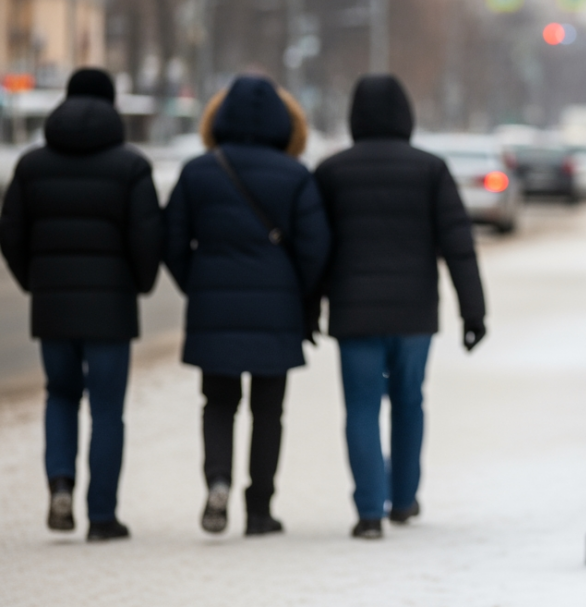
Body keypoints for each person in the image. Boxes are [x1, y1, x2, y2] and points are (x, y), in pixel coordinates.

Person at [314, 74, 486, 540]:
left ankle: (369, 511)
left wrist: (309, 306)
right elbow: (459, 245)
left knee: (362, 408)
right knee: (409, 402)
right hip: (414, 317)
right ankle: (404, 499)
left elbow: (314, 248)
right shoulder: (430, 169)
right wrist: (474, 312)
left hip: (355, 316)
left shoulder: (332, 172)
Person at [163, 75, 330, 537]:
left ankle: (217, 481)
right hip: (277, 310)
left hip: (213, 307)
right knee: (268, 411)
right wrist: (297, 295)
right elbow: (317, 249)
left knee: (217, 403)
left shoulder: (198, 171)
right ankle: (259, 509)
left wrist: (197, 285)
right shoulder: (295, 175)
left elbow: (171, 241)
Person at [0, 68, 163, 542]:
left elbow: (9, 232)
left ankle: (60, 486)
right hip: (111, 310)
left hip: (52, 308)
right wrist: (139, 282)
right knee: (108, 409)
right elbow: (147, 236)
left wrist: (34, 279)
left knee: (61, 394)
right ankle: (103, 515)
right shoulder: (132, 166)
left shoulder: (31, 166)